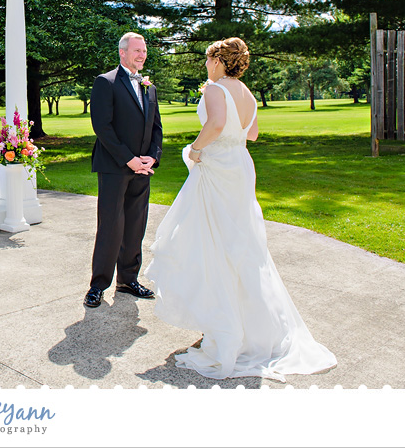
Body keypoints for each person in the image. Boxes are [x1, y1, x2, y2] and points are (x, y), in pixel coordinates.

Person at [144, 37, 337, 381]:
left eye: (208, 60)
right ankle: (247, 324)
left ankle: (226, 325)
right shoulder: (246, 93)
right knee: (241, 245)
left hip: (218, 167)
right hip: (240, 166)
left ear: (218, 60)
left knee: (214, 242)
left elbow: (216, 126)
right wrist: (228, 136)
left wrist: (195, 150)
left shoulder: (215, 89)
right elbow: (253, 135)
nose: (206, 65)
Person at [85, 32, 163, 308]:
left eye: (144, 51)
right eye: (137, 51)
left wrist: (152, 158)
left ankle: (128, 279)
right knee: (111, 226)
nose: (142, 55)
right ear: (122, 53)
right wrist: (129, 159)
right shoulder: (105, 82)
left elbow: (156, 127)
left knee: (135, 226)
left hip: (143, 169)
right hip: (115, 167)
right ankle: (98, 285)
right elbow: (102, 127)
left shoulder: (148, 86)